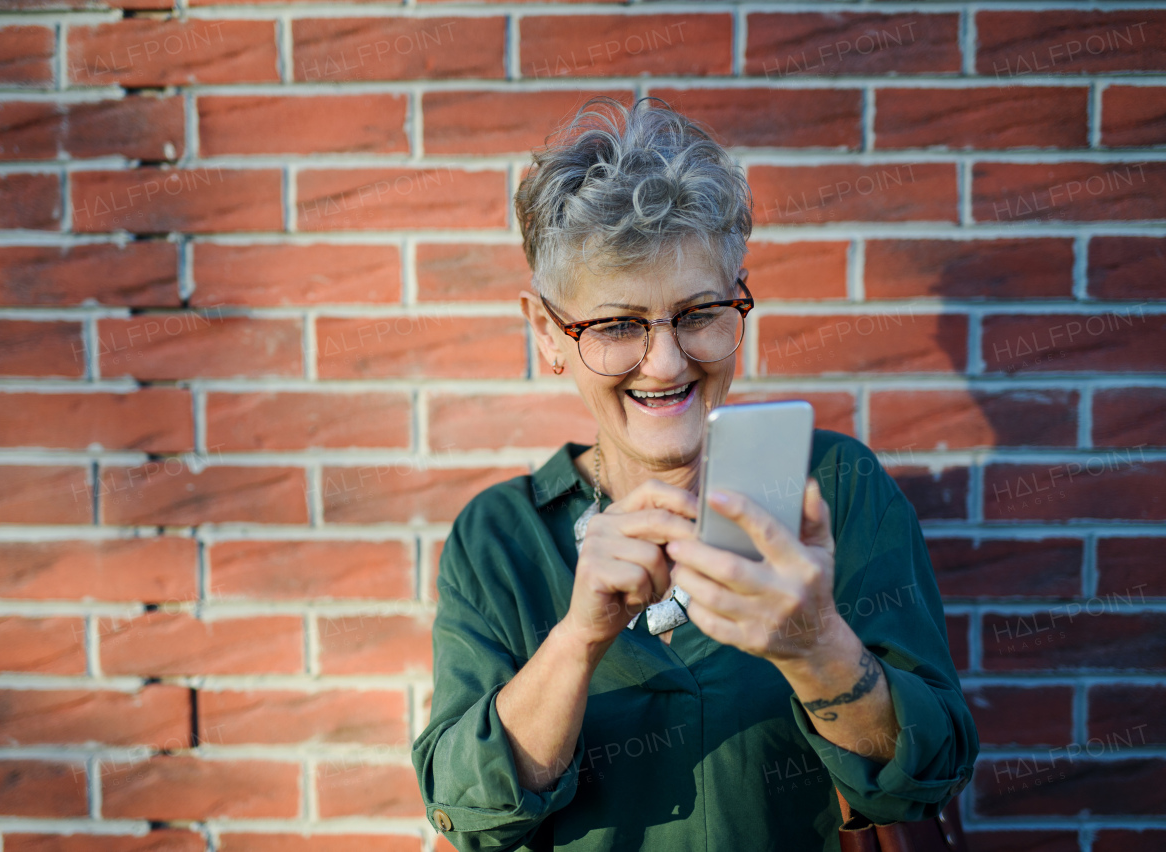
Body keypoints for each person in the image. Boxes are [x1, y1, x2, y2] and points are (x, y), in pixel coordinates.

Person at [410, 96, 978, 851]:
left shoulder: (837, 489)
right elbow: (467, 811)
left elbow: (930, 773)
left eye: (700, 312)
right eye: (616, 326)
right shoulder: (500, 538)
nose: (667, 361)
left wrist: (817, 646)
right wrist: (580, 637)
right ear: (548, 333)